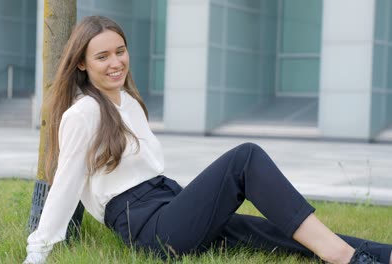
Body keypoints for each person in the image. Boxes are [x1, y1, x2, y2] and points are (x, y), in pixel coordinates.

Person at [24, 15, 392, 264]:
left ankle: (377, 254)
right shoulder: (83, 113)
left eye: (120, 51)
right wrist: (36, 252)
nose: (116, 62)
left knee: (261, 229)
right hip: (148, 228)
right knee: (244, 159)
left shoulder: (128, 102)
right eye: (102, 56)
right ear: (83, 64)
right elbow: (67, 182)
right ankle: (346, 260)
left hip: (169, 203)